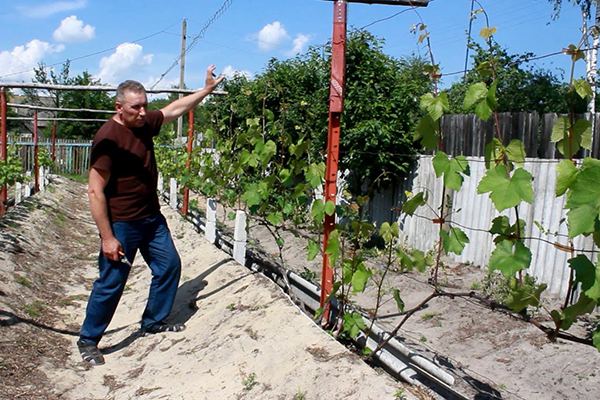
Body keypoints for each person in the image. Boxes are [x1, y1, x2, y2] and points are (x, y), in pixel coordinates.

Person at [77, 65, 224, 365]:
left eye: (145, 105)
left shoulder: (143, 123)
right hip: (122, 223)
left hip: (151, 218)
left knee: (169, 265)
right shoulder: (108, 138)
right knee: (112, 281)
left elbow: (173, 109)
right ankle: (89, 340)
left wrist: (206, 90)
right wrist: (107, 237)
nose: (143, 112)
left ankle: (153, 321)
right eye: (136, 107)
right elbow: (95, 191)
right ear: (119, 107)